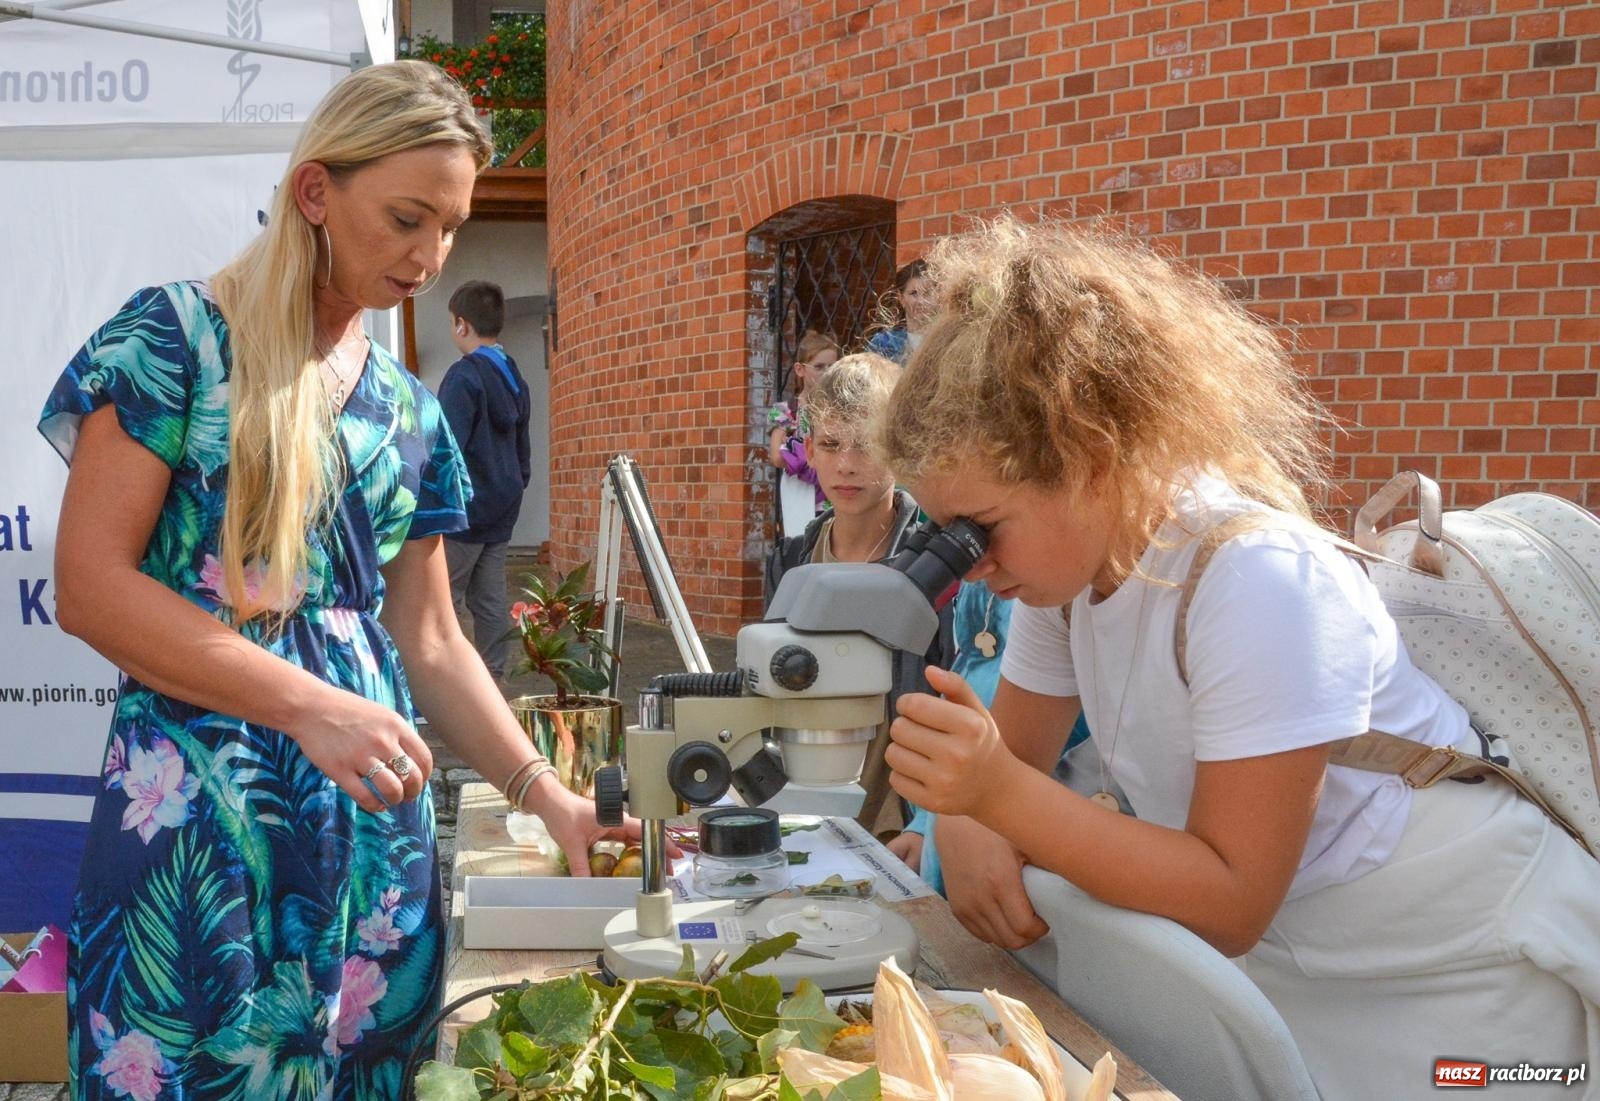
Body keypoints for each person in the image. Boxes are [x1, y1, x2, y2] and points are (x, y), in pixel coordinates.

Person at [878, 216, 1600, 1096]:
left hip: (1462, 969)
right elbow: (1010, 764)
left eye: (980, 528)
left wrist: (995, 797)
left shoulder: (1257, 579)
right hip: (1305, 958)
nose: (973, 566)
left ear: (1093, 459)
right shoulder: (1067, 582)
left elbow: (1228, 899)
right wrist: (965, 815)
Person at [38, 61, 649, 1100]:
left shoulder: (407, 409)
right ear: (316, 193)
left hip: (370, 842)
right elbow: (90, 586)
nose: (431, 255)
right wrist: (313, 706)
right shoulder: (172, 344)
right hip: (200, 834)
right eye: (408, 217)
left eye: (450, 227)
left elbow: (435, 639)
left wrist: (547, 796)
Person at [764, 352, 951, 837]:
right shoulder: (792, 560)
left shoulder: (936, 566)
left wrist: (928, 826)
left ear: (901, 447)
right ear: (809, 448)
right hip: (805, 806)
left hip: (899, 816)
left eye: (867, 445)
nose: (846, 466)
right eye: (830, 444)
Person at [438, 279, 532, 684]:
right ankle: (492, 680)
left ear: (461, 325)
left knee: (442, 598)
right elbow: (522, 447)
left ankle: (451, 685)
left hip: (465, 509)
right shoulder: (514, 377)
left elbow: (447, 447)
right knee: (490, 600)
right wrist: (515, 486)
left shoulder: (463, 378)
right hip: (502, 508)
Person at [767, 329, 839, 536]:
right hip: (800, 488)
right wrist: (801, 457)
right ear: (800, 369)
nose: (826, 372)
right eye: (819, 367)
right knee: (802, 540)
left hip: (831, 483)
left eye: (831, 366)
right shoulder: (786, 409)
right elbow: (775, 456)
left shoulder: (840, 407)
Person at [865, 259, 933, 364]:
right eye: (914, 293)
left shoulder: (947, 341)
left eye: (927, 293)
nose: (921, 301)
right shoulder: (883, 343)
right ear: (901, 298)